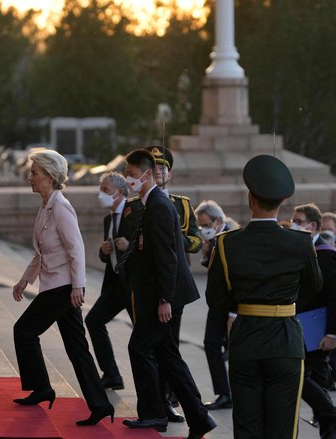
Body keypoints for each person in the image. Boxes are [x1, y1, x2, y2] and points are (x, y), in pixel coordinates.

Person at [205, 154, 323, 439]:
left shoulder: (226, 243)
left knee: (247, 426)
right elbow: (314, 286)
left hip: (246, 339)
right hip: (286, 340)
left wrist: (245, 305)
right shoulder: (301, 242)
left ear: (250, 198)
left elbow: (216, 299)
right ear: (282, 201)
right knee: (282, 429)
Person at [12, 149, 114, 426]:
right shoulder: (46, 206)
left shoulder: (60, 206)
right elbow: (40, 253)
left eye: (34, 173)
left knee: (24, 331)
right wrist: (25, 280)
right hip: (56, 285)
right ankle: (101, 405)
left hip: (63, 287)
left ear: (49, 176)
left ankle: (42, 387)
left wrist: (78, 287)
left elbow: (76, 249)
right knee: (76, 347)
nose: (30, 177)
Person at [119, 148, 216, 439]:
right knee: (168, 356)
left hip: (163, 296)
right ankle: (199, 418)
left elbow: (167, 256)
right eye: (127, 175)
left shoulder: (159, 205)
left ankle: (154, 414)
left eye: (132, 175)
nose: (129, 180)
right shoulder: (152, 203)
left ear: (147, 175)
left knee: (139, 348)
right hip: (160, 293)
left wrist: (164, 299)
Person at [148, 144, 201, 422]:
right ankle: (154, 401)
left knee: (170, 345)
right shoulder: (139, 204)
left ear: (169, 174)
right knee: (151, 347)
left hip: (176, 284)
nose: (159, 172)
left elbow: (196, 240)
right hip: (150, 286)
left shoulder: (181, 204)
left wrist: (175, 242)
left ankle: (167, 399)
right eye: (154, 167)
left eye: (163, 168)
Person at [291, 203, 336, 439]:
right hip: (304, 326)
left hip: (318, 329)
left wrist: (333, 334)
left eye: (298, 220)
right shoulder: (303, 249)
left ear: (312, 225)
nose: (293, 223)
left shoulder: (325, 254)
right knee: (313, 376)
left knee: (297, 375)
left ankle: (333, 417)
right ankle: (329, 426)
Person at [85, 171, 141, 391]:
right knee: (94, 321)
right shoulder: (108, 218)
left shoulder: (135, 212)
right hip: (114, 285)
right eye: (101, 190)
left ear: (119, 193)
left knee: (143, 336)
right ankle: (111, 375)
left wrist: (130, 247)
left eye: (106, 190)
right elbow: (106, 256)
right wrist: (103, 250)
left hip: (134, 285)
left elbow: (149, 248)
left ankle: (164, 387)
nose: (102, 195)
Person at [194, 199, 236, 411]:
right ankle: (224, 393)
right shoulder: (214, 240)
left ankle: (230, 393)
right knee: (212, 344)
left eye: (207, 225)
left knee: (226, 347)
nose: (203, 229)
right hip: (217, 304)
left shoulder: (230, 238)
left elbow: (236, 278)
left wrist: (234, 313)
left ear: (219, 221)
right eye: (201, 225)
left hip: (229, 306)